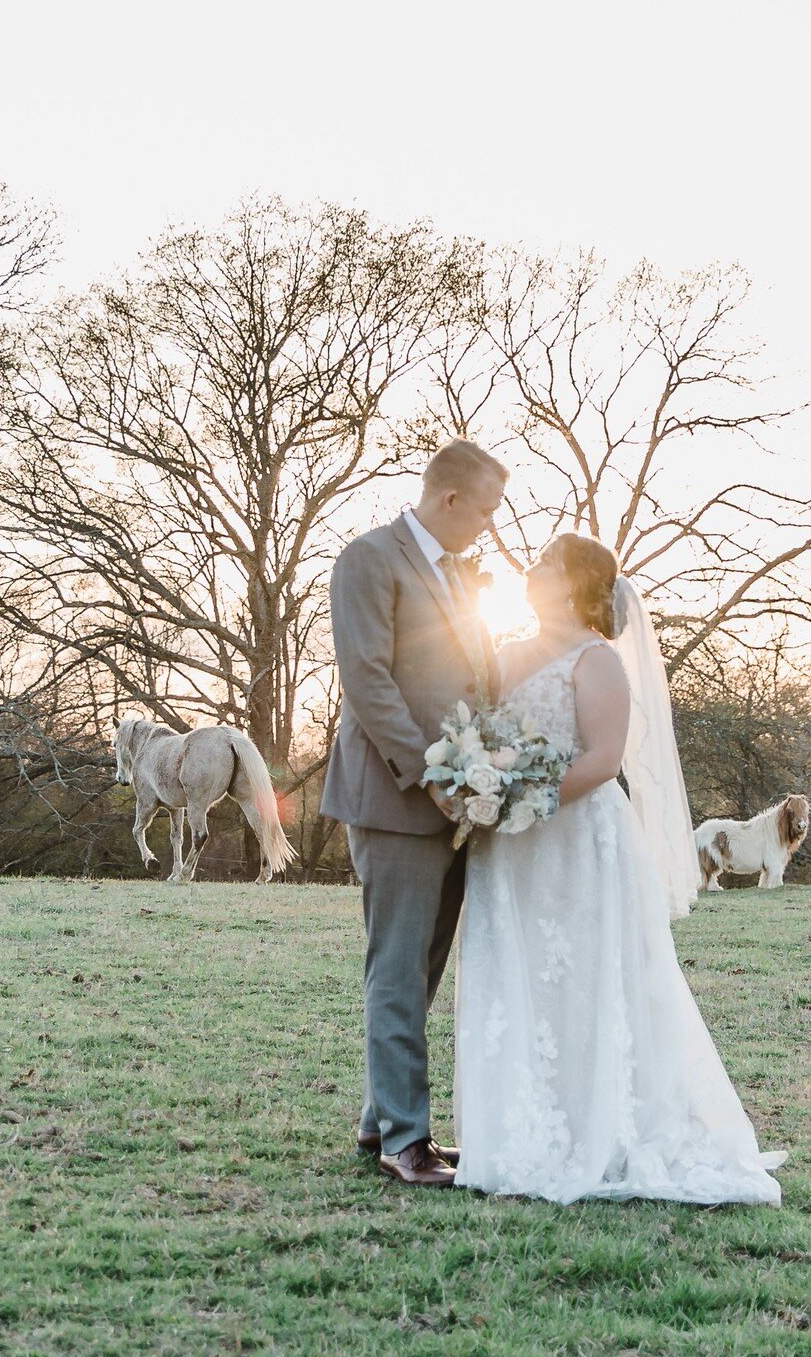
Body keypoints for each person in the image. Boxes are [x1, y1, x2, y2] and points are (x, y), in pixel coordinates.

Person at [452, 533, 786, 1204]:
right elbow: (491, 735)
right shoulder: (507, 652)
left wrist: (522, 802)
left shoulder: (596, 660)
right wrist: (482, 789)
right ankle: (522, 1132)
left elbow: (603, 758)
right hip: (510, 847)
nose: (531, 568)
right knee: (520, 975)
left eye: (545, 562)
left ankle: (601, 1129)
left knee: (583, 976)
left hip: (577, 840)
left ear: (575, 581)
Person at [321, 439, 506, 1185]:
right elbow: (366, 681)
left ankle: (379, 1122)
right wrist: (428, 772)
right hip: (398, 797)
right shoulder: (368, 560)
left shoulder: (460, 576)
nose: (490, 526)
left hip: (456, 799)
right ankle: (407, 1139)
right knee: (396, 969)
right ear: (450, 500)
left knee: (421, 968)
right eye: (486, 511)